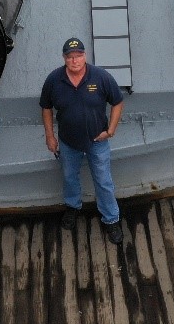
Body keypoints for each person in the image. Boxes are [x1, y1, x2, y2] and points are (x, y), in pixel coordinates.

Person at [40, 37, 125, 244]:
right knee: (69, 177)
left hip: (98, 141)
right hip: (68, 142)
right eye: (70, 57)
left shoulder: (101, 77)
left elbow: (117, 101)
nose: (74, 60)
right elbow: (46, 107)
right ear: (64, 59)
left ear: (85, 56)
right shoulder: (54, 80)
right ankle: (72, 207)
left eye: (78, 56)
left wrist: (111, 130)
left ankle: (111, 219)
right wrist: (50, 136)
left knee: (104, 181)